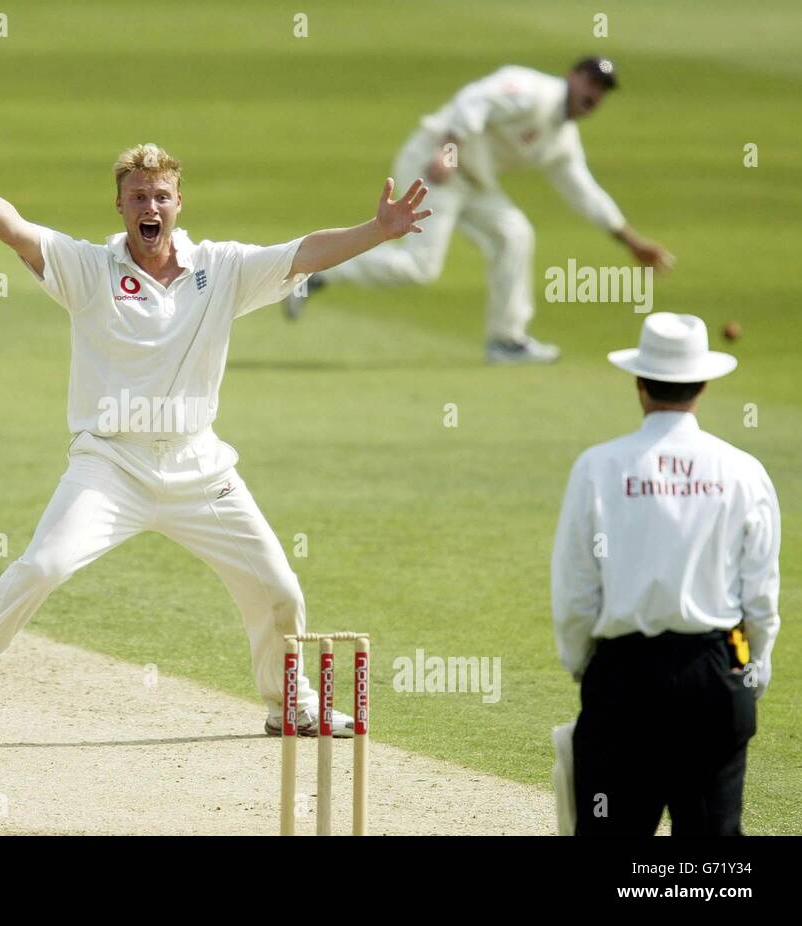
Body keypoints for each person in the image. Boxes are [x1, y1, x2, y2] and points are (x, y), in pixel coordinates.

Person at [0, 127, 431, 742]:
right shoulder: (89, 267)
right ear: (120, 207)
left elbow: (304, 253)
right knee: (43, 567)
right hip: (110, 464)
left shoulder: (222, 268)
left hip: (198, 468)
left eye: (161, 195)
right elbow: (18, 230)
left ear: (178, 203)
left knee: (278, 588)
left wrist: (377, 231)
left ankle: (288, 704)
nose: (150, 207)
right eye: (138, 197)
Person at [551, 312, 781, 835]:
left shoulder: (598, 466)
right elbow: (760, 595)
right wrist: (754, 666)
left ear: (639, 383)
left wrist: (586, 665)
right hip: (716, 675)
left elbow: (575, 590)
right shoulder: (742, 469)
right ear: (702, 385)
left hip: (624, 677)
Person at [286, 57, 675, 364]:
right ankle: (315, 271)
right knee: (421, 268)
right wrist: (449, 153)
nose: (594, 93)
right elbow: (475, 100)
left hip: (473, 183)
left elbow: (583, 191)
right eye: (591, 81)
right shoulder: (532, 90)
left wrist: (631, 242)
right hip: (435, 164)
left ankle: (507, 341)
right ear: (571, 75)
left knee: (515, 234)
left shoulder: (562, 139)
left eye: (602, 89)